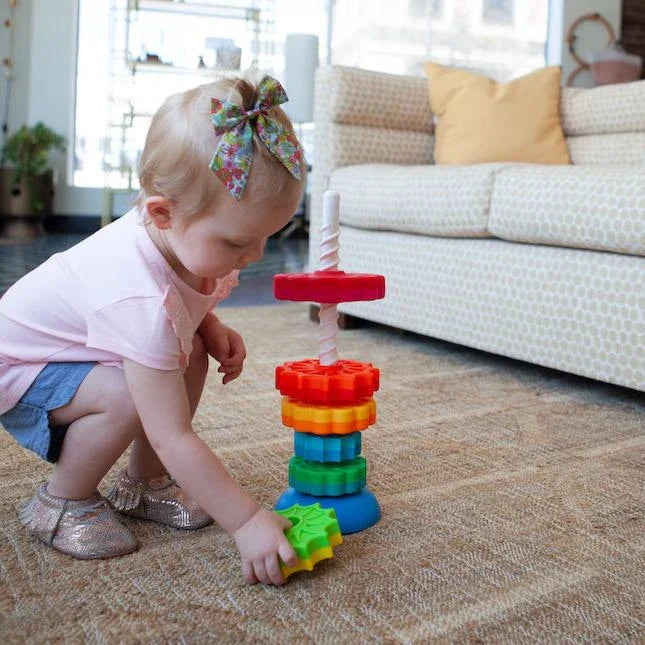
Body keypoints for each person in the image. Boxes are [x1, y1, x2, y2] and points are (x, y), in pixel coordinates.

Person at [0, 75, 305, 586]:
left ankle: (143, 484)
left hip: (74, 349)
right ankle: (60, 500)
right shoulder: (138, 295)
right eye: (237, 243)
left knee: (185, 351)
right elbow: (173, 433)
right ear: (162, 213)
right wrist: (247, 521)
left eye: (267, 238)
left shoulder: (178, 240)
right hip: (18, 370)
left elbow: (179, 302)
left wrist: (209, 321)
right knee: (128, 396)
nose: (254, 257)